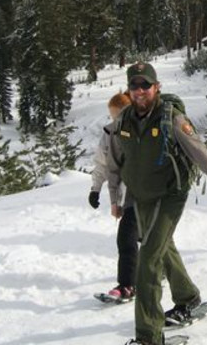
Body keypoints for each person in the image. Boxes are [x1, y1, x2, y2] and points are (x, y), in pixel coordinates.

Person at [106, 62, 207, 345]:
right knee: (163, 247)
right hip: (141, 196)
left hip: (169, 194)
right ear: (129, 90)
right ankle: (188, 297)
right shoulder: (123, 122)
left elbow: (200, 154)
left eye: (146, 85)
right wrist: (116, 199)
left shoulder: (171, 119)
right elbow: (117, 163)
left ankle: (148, 337)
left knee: (148, 262)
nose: (140, 90)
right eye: (135, 86)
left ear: (157, 87)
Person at [89, 92, 138, 303]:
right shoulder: (109, 134)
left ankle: (127, 284)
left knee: (128, 237)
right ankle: (144, 275)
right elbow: (102, 164)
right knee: (140, 238)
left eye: (119, 115)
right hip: (126, 197)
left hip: (145, 194)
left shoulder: (140, 131)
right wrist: (95, 189)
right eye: (112, 116)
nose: (115, 120)